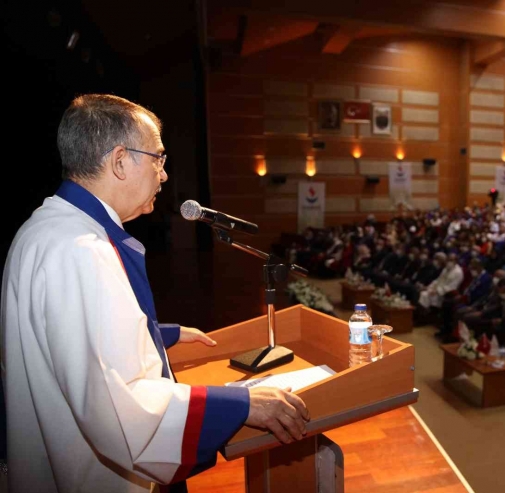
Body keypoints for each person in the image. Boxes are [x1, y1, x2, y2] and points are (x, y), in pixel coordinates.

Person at [1, 95, 310, 492]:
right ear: (119, 161)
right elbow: (119, 411)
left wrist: (163, 334)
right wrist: (242, 404)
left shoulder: (46, 228)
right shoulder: (80, 250)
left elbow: (69, 340)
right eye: (158, 158)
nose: (163, 175)